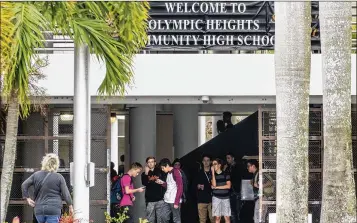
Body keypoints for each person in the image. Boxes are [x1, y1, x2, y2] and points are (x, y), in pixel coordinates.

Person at [21, 153, 73, 223]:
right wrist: (70, 206)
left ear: (44, 163)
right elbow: (66, 194)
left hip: (39, 210)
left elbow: (24, 185)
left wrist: (27, 198)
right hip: (53, 209)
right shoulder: (59, 177)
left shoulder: (36, 175)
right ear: (56, 164)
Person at [141, 157, 168, 223]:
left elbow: (165, 182)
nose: (150, 163)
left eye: (152, 161)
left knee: (161, 219)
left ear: (155, 163)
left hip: (160, 199)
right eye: (149, 162)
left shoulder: (161, 171)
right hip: (150, 200)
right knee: (150, 219)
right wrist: (146, 173)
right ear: (147, 164)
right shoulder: (144, 174)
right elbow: (144, 183)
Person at [157, 158, 183, 223]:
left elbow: (180, 187)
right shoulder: (169, 173)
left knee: (176, 219)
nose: (162, 170)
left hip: (174, 200)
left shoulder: (176, 172)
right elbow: (169, 185)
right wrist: (162, 183)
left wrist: (176, 202)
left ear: (167, 165)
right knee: (163, 216)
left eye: (163, 168)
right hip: (167, 199)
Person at [211, 158, 231, 223]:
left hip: (226, 198)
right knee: (217, 217)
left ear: (219, 165)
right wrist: (213, 174)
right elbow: (213, 185)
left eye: (215, 164)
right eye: (212, 164)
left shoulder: (226, 174)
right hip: (216, 198)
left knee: (227, 217)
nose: (213, 166)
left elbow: (228, 186)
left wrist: (217, 187)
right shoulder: (212, 175)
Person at [225, 153, 242, 223]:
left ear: (233, 158)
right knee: (231, 210)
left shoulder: (238, 166)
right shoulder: (228, 168)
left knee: (237, 210)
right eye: (227, 158)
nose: (227, 160)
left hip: (237, 191)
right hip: (230, 191)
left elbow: (239, 178)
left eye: (229, 158)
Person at [196, 155, 214, 223]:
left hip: (212, 199)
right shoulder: (198, 173)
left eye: (208, 160)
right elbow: (193, 185)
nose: (206, 162)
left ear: (210, 162)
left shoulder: (213, 173)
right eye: (204, 160)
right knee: (202, 220)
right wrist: (198, 186)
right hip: (201, 199)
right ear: (202, 162)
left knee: (213, 219)